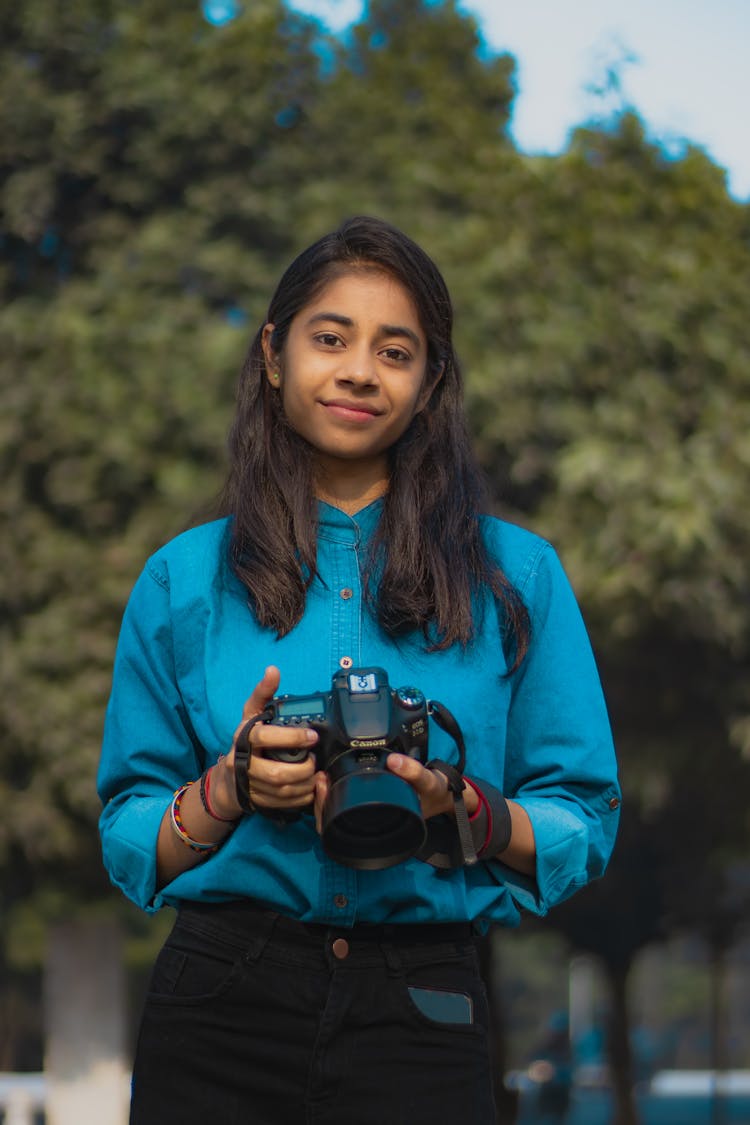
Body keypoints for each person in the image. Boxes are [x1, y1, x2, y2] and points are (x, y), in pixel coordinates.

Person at [98, 216, 620, 1125]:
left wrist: (460, 805)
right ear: (273, 354)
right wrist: (229, 787)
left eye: (396, 350)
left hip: (423, 1005)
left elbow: (583, 818)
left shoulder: (517, 577)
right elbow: (128, 832)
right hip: (222, 1001)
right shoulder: (182, 579)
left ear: (431, 384)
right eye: (329, 338)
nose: (357, 371)